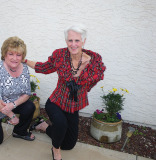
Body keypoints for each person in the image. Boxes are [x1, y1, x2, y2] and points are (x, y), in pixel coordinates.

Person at [26, 24, 106, 160]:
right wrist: (25, 60)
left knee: (68, 144)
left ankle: (43, 126)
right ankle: (55, 150)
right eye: (70, 40)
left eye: (77, 40)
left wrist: (83, 86)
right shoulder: (60, 55)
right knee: (61, 124)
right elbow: (43, 67)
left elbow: (95, 79)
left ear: (84, 41)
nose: (73, 44)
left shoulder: (94, 61)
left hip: (73, 107)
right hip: (56, 102)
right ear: (66, 41)